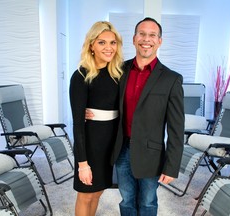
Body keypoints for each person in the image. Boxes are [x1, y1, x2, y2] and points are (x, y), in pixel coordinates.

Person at [87, 17, 185, 216]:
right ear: (133, 39)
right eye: (141, 34)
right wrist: (86, 109)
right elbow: (102, 95)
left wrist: (172, 165)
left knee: (148, 202)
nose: (146, 39)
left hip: (152, 153)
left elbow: (176, 128)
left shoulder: (171, 79)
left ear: (159, 41)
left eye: (152, 35)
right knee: (127, 200)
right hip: (122, 148)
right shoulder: (118, 70)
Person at [69, 21, 124, 216]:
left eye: (113, 42)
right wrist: (82, 163)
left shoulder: (119, 73)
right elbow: (77, 124)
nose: (109, 48)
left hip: (110, 145)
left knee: (98, 191)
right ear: (91, 45)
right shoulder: (81, 75)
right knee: (86, 194)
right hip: (90, 144)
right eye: (102, 42)